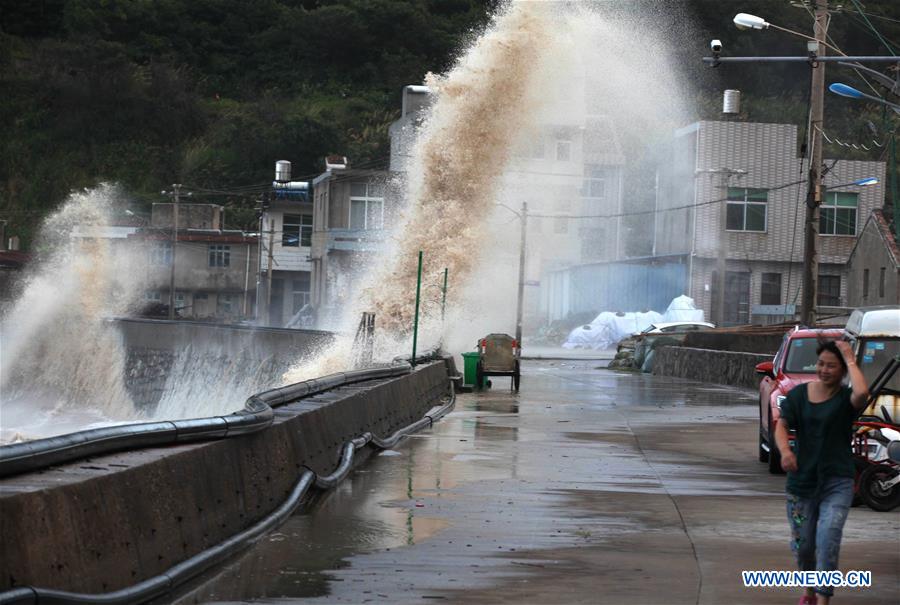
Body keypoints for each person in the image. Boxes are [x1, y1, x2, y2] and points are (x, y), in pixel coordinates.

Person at [775, 339, 870, 605]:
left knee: (828, 537)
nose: (824, 369)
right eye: (821, 364)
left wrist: (851, 360)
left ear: (842, 371)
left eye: (832, 365)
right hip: (802, 482)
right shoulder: (798, 396)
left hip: (837, 481)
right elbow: (782, 426)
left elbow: (862, 393)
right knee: (804, 545)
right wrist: (785, 451)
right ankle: (809, 592)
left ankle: (824, 598)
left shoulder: (845, 400)